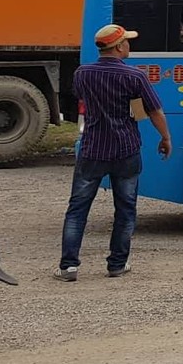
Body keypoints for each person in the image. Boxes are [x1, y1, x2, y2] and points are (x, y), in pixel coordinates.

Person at [55, 24, 172, 281]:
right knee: (126, 209)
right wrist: (165, 137)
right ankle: (117, 264)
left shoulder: (82, 74)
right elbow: (154, 111)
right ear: (119, 46)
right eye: (127, 42)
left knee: (77, 209)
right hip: (126, 150)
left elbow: (82, 99)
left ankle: (69, 267)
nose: (130, 45)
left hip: (92, 149)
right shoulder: (135, 77)